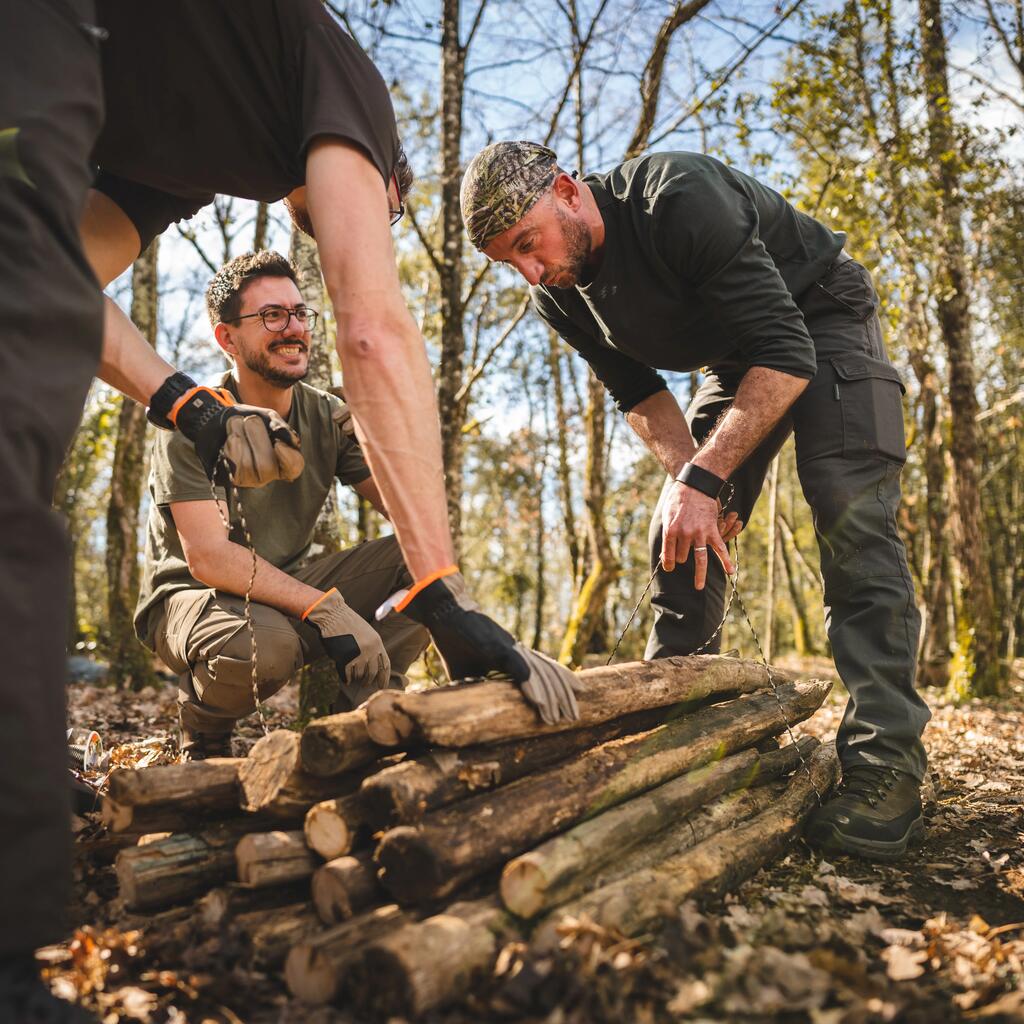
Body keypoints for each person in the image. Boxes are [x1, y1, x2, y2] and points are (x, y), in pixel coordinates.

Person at [460, 141, 932, 861]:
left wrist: (708, 478)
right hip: (739, 358)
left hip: (820, 317)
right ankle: (675, 741)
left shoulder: (675, 196)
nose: (531, 270)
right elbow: (640, 394)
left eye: (529, 244)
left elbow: (788, 347)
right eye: (508, 263)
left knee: (847, 507)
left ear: (566, 190)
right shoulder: (556, 292)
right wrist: (692, 484)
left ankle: (885, 768)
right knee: (675, 530)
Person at [136, 251, 431, 758]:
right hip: (193, 600)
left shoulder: (328, 415)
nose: (293, 328)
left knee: (426, 562)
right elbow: (207, 558)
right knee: (265, 648)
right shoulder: (193, 421)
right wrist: (326, 608)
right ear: (227, 338)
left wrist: (389, 436)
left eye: (299, 313)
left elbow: (417, 515)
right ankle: (204, 729)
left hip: (284, 592)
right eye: (272, 315)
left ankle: (360, 730)